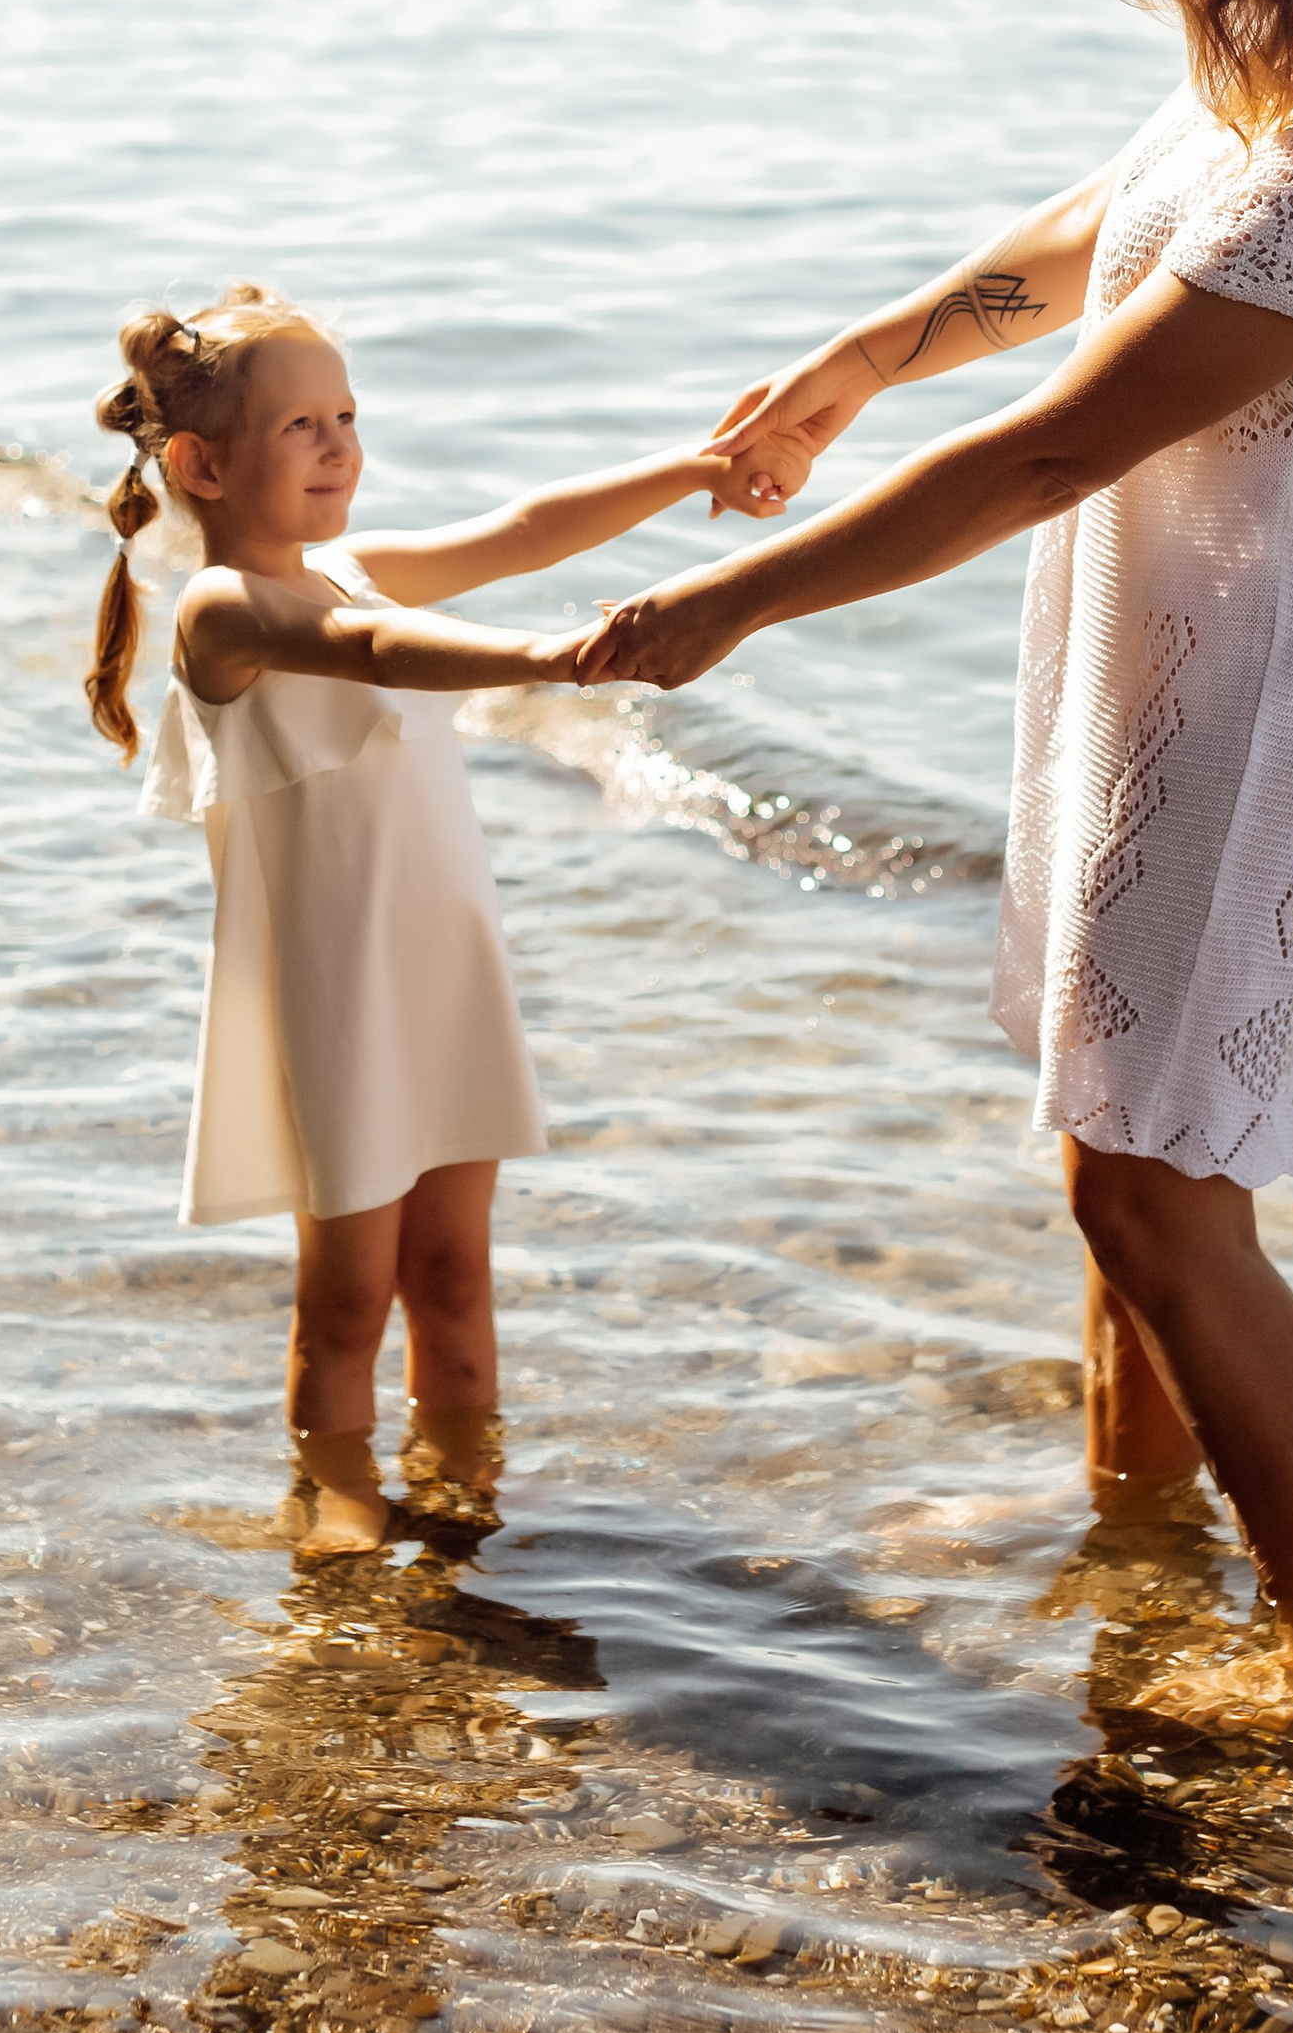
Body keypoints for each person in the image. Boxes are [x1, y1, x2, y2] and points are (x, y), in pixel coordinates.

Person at [578, 0, 1293, 1722]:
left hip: (1277, 724)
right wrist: (857, 356)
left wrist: (731, 605)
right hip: (1170, 694)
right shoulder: (1282, 77)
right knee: (1112, 1157)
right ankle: (1135, 1550)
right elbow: (1089, 232)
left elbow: (1045, 451)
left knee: (1161, 1192)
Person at [85, 283, 777, 1560]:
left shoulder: (348, 562)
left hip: (444, 969)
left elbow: (521, 527)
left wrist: (692, 471)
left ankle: (467, 1511)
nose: (341, 444)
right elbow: (373, 649)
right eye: (303, 425)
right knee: (345, 1299)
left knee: (455, 1269)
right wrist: (560, 658)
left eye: (347, 414)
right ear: (202, 463)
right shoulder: (223, 610)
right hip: (334, 993)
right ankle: (336, 1523)